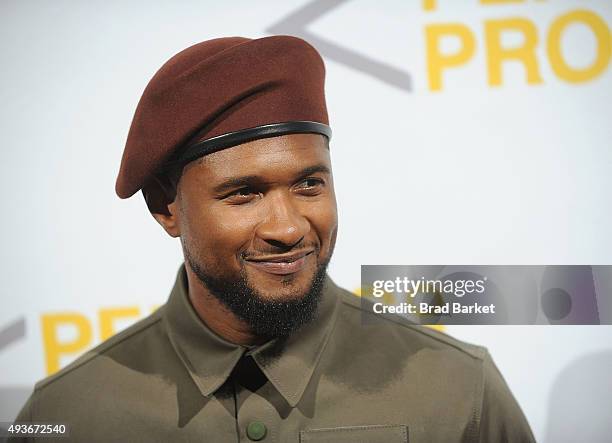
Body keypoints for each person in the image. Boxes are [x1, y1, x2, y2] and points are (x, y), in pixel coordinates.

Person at [12, 36, 535, 442]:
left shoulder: (459, 389)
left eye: (310, 184)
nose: (288, 228)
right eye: (244, 194)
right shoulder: (66, 415)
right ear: (165, 209)